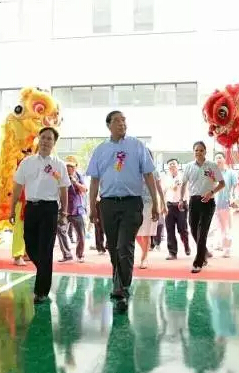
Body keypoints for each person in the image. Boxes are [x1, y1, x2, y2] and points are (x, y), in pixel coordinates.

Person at [87, 110, 158, 312]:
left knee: (124, 246)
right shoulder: (100, 150)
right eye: (117, 120)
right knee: (112, 247)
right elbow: (94, 180)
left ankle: (122, 288)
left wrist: (156, 202)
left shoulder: (137, 146)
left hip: (131, 204)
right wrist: (92, 207)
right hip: (108, 204)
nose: (122, 123)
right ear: (108, 125)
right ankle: (119, 283)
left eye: (124, 120)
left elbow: (149, 175)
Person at [10, 126, 70, 304]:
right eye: (43, 137)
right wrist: (12, 209)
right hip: (31, 208)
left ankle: (41, 291)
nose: (45, 141)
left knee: (46, 248)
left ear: (54, 143)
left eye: (49, 138)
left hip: (50, 209)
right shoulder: (27, 162)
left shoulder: (59, 165)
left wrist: (64, 212)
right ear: (38, 139)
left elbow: (64, 190)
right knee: (30, 245)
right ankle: (44, 269)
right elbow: (17, 186)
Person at [180, 141, 225, 273]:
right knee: (194, 230)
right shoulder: (189, 166)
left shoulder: (212, 166)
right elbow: (183, 184)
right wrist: (181, 199)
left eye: (201, 150)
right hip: (193, 201)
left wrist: (211, 192)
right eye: (196, 150)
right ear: (193, 152)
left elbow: (222, 183)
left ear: (205, 152)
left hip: (208, 202)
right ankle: (204, 252)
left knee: (203, 232)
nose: (198, 152)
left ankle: (198, 262)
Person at [136, 149, 166, 269]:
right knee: (135, 233)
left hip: (149, 204)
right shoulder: (134, 169)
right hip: (135, 204)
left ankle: (144, 258)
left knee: (146, 233)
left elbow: (159, 188)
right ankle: (145, 249)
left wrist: (163, 204)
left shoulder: (154, 171)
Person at [57, 155, 88, 263]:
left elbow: (85, 190)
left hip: (77, 209)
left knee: (81, 234)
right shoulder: (61, 175)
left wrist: (75, 182)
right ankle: (67, 254)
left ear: (75, 167)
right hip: (64, 210)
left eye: (71, 166)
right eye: (67, 166)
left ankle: (80, 254)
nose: (69, 168)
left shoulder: (79, 176)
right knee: (60, 230)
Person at [161, 158, 191, 259]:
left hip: (181, 205)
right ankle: (172, 252)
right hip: (169, 205)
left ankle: (186, 245)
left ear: (178, 165)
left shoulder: (183, 176)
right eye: (170, 164)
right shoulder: (165, 178)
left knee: (182, 229)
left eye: (173, 164)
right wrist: (162, 205)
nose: (172, 166)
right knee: (170, 229)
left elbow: (188, 189)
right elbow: (163, 192)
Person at [210, 152, 237, 258]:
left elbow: (235, 187)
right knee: (213, 227)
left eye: (220, 157)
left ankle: (227, 250)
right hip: (212, 204)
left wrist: (233, 199)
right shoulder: (212, 173)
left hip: (225, 203)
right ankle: (212, 248)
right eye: (216, 158)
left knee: (226, 228)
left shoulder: (230, 173)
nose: (218, 160)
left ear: (224, 159)